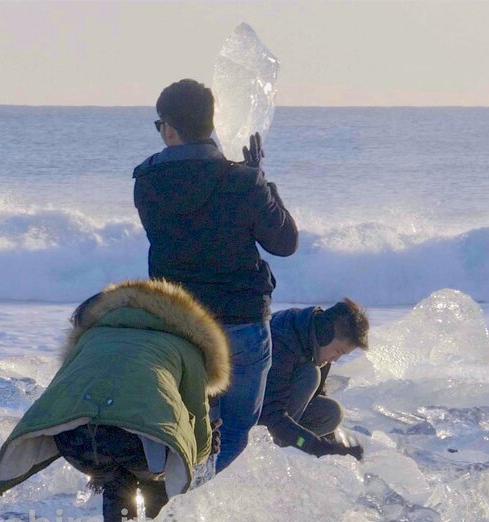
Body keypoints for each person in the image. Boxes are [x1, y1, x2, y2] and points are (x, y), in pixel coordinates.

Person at [133, 79, 298, 471]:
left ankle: (170, 490)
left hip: (180, 324)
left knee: (188, 424)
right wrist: (262, 182)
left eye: (160, 126)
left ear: (170, 128)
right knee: (237, 429)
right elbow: (285, 242)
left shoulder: (146, 183)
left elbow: (187, 223)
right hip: (240, 323)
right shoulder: (243, 182)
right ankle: (188, 493)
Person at [0, 279, 230, 522]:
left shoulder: (93, 337)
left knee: (118, 476)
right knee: (157, 464)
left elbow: (63, 395)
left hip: (72, 441)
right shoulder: (187, 346)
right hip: (136, 447)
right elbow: (198, 429)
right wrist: (203, 451)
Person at [259, 300, 369, 460]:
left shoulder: (314, 339)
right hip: (251, 415)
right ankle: (271, 449)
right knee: (310, 375)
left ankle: (291, 441)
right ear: (326, 334)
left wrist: (336, 448)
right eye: (338, 351)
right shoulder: (282, 341)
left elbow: (317, 394)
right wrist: (320, 448)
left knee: (331, 413)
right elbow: (271, 415)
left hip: (276, 413)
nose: (336, 359)